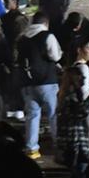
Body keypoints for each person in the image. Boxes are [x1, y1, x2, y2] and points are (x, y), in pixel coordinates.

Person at [15, 12, 62, 160]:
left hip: (27, 82)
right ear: (46, 23)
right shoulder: (47, 36)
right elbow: (55, 56)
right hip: (47, 81)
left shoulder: (21, 38)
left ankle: (32, 149)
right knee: (54, 114)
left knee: (32, 115)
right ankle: (58, 145)